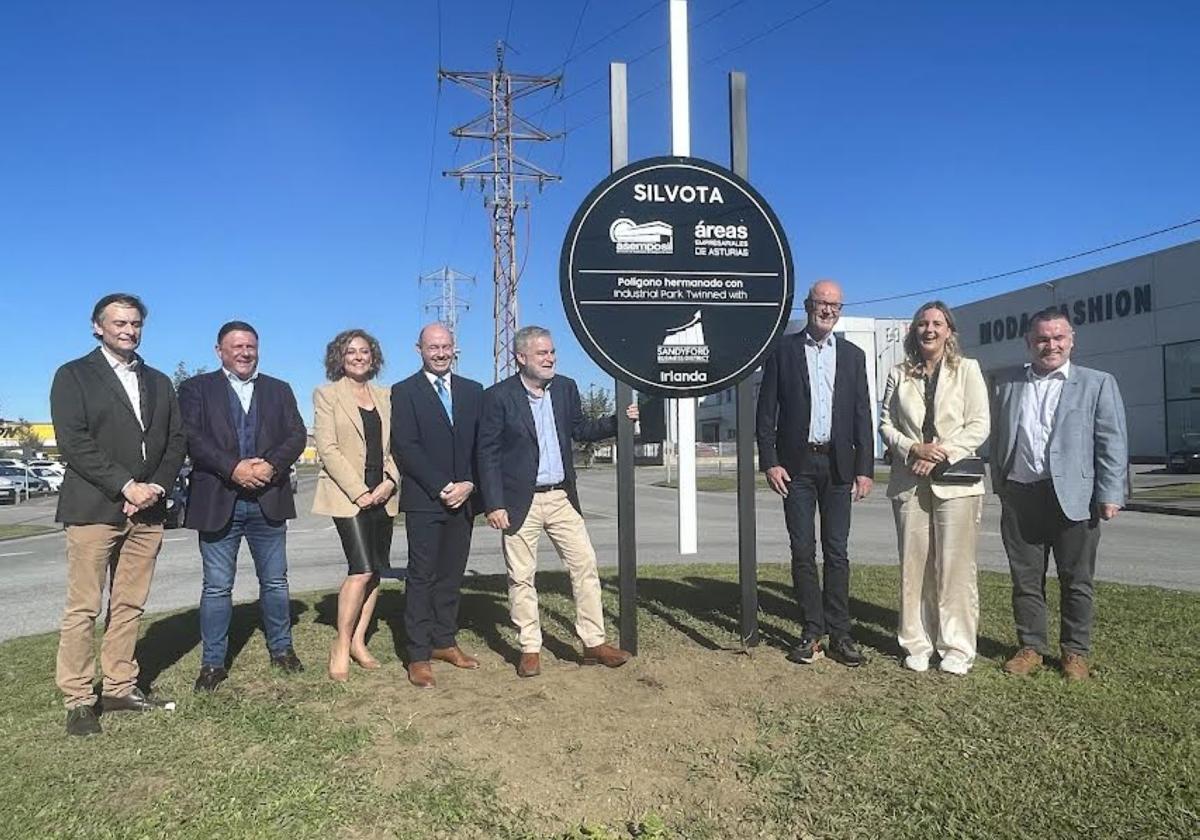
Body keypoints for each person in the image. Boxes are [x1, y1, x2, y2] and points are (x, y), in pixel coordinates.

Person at [50, 293, 187, 735]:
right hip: (93, 506)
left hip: (147, 511)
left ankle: (120, 686)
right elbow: (75, 443)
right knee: (83, 607)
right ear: (97, 326)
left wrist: (155, 488)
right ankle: (78, 699)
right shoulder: (73, 376)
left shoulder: (160, 381)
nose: (128, 330)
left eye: (135, 324)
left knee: (129, 604)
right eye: (119, 323)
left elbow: (174, 441)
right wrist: (126, 485)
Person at [477, 326, 637, 678]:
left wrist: (617, 421)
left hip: (562, 496)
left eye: (551, 352)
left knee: (585, 565)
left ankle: (594, 643)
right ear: (521, 358)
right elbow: (486, 454)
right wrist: (494, 503)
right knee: (521, 576)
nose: (550, 358)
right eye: (542, 353)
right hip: (520, 502)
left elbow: (579, 429)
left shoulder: (565, 388)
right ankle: (530, 648)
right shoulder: (498, 397)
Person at [991, 306, 1128, 680]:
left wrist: (1110, 492)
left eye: (1057, 337)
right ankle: (1031, 647)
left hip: (1075, 498)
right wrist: (999, 484)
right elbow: (997, 437)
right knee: (1025, 580)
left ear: (1071, 340)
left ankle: (1074, 653)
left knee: (1077, 580)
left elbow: (1111, 443)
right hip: (1020, 497)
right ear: (1029, 342)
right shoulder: (1005, 384)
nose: (1050, 345)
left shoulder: (1097, 383)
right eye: (1042, 339)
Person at [178, 321, 308, 692]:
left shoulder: (278, 390)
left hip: (268, 500)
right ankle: (213, 663)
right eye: (236, 346)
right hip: (218, 500)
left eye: (250, 345)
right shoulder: (195, 389)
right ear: (219, 350)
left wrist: (270, 465)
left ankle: (282, 650)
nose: (244, 352)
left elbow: (296, 434)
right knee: (218, 587)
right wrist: (233, 468)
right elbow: (191, 436)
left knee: (275, 580)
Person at [756, 279, 874, 667]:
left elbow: (862, 416)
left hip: (839, 465)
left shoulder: (854, 357)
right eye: (822, 303)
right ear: (808, 305)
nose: (828, 310)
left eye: (835, 305)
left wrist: (865, 469)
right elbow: (766, 413)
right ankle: (812, 630)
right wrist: (770, 460)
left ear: (840, 310)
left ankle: (840, 633)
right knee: (803, 550)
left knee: (837, 552)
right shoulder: (783, 351)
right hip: (796, 468)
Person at [878, 301, 990, 674]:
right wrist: (913, 449)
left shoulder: (967, 370)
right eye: (923, 323)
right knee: (914, 566)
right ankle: (916, 642)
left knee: (955, 568)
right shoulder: (898, 373)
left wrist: (939, 454)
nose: (929, 329)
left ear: (949, 331)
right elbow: (886, 424)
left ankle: (957, 647)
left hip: (956, 484)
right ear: (914, 331)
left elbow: (978, 425)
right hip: (909, 481)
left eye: (937, 324)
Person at [391, 323, 484, 688]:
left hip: (464, 500)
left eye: (446, 346)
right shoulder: (404, 392)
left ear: (454, 348)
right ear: (419, 350)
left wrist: (470, 484)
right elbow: (407, 446)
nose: (441, 353)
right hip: (426, 500)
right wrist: (443, 486)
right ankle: (417, 654)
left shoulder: (473, 391)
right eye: (434, 347)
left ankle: (444, 641)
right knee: (421, 576)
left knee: (451, 575)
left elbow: (483, 445)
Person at [312, 329, 399, 682]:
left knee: (376, 571)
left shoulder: (387, 395)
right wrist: (360, 492)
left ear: (373, 356)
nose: (359, 356)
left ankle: (360, 641)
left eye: (365, 351)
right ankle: (341, 643)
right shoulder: (327, 394)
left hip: (385, 494)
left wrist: (390, 482)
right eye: (351, 352)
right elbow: (327, 448)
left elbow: (399, 446)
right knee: (360, 569)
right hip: (348, 497)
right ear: (340, 357)